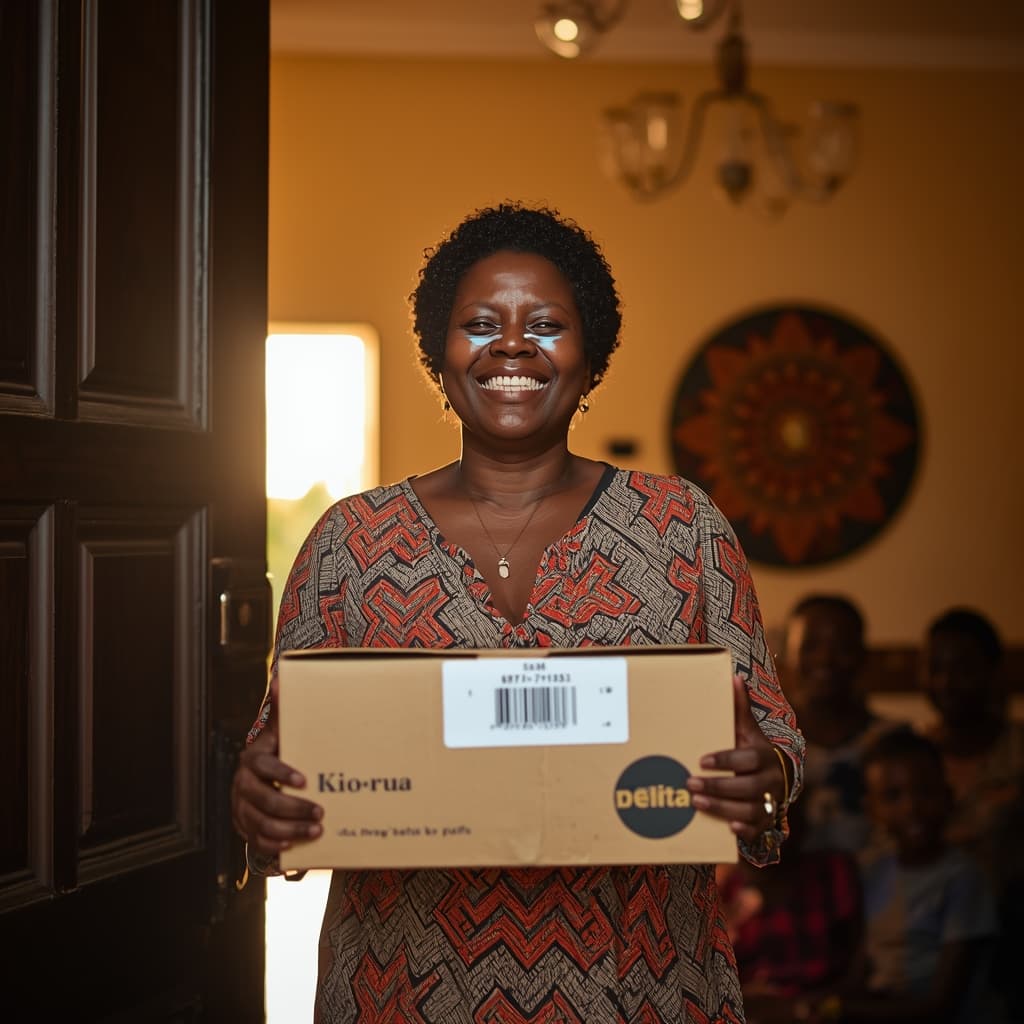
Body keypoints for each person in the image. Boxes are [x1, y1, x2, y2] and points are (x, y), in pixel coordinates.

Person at [231, 201, 805, 1023]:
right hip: (404, 991)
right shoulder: (349, 544)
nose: (512, 344)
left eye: (545, 323)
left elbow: (774, 738)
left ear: (590, 355)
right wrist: (258, 799)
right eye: (479, 322)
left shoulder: (684, 527)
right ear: (440, 351)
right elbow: (278, 753)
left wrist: (768, 780)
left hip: (640, 989)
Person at [798, 727, 1003, 1023]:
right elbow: (860, 974)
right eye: (892, 796)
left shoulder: (963, 879)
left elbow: (942, 1003)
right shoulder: (872, 872)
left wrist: (839, 1010)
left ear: (949, 797)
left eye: (926, 792)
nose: (911, 807)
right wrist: (809, 1004)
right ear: (872, 810)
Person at [716, 798, 863, 1024]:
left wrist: (801, 1007)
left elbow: (860, 968)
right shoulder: (717, 890)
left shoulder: (832, 874)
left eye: (770, 815)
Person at [779, 595, 894, 855]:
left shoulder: (893, 743)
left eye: (842, 647)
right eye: (810, 646)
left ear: (862, 656)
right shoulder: (764, 744)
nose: (825, 659)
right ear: (787, 656)